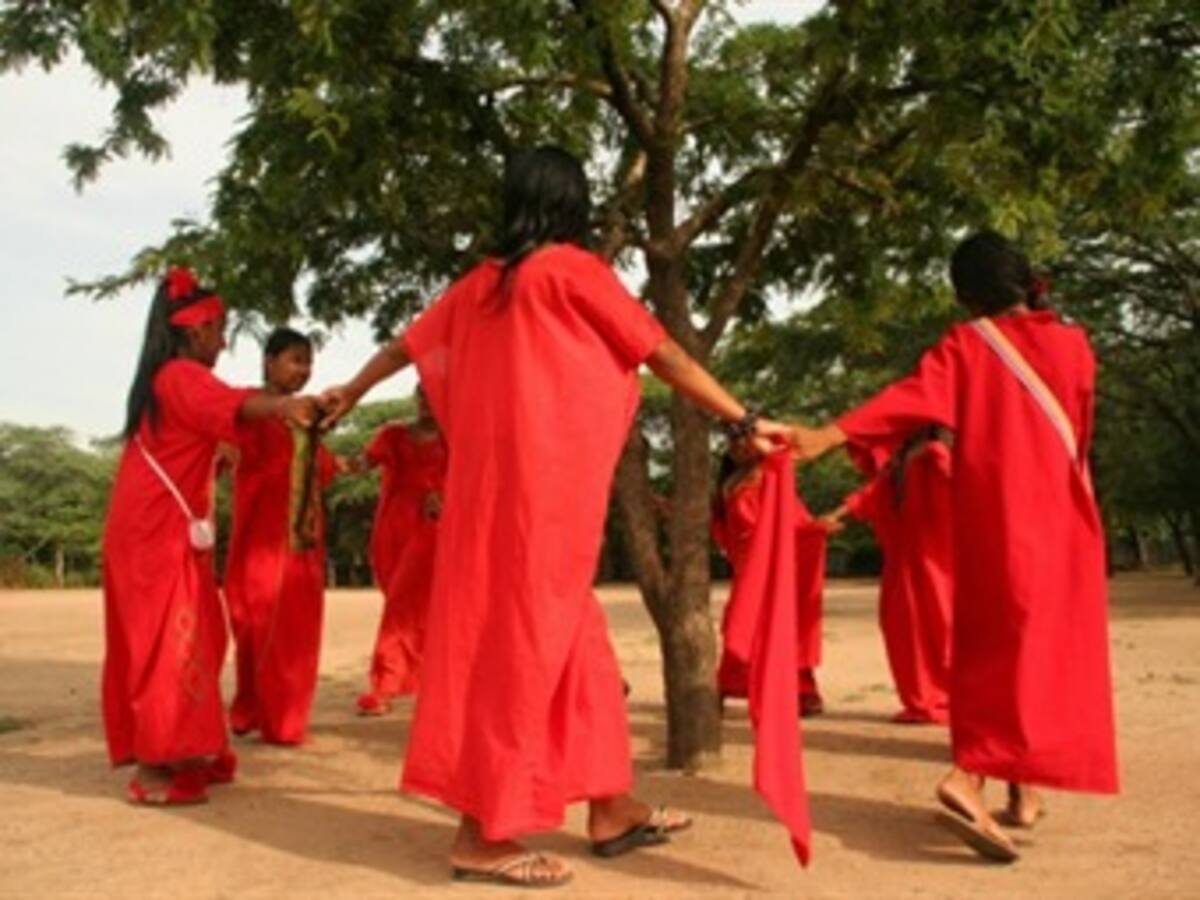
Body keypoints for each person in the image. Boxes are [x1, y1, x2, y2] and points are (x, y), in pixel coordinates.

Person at [320, 146, 785, 887]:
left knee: (582, 654)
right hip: (540, 507)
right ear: (573, 203)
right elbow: (659, 350)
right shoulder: (569, 271)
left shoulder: (479, 285)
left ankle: (612, 807)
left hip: (497, 504)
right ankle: (480, 834)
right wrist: (741, 418)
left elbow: (405, 347)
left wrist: (348, 388)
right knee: (520, 655)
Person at [788, 230, 1118, 862]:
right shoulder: (1076, 347)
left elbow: (911, 399)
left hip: (997, 522)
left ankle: (1010, 791)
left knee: (1002, 648)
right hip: (1065, 516)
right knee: (1041, 651)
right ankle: (972, 780)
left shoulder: (968, 346)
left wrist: (829, 435)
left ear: (966, 297)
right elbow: (1080, 434)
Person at [102, 268, 317, 804]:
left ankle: (189, 745)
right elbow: (239, 405)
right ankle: (154, 768)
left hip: (167, 533)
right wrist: (286, 405)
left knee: (198, 635)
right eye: (220, 330)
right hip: (155, 536)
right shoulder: (180, 375)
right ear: (194, 332)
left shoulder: (170, 380)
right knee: (165, 644)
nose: (223, 341)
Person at [223, 327, 339, 744]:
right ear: (269, 362)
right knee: (253, 625)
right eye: (295, 360)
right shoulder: (252, 408)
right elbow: (223, 446)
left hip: (303, 543)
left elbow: (324, 469)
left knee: (295, 633)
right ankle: (251, 707)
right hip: (260, 539)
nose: (304, 371)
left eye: (308, 362)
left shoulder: (306, 420)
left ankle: (284, 720)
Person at [826, 426, 954, 725]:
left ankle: (949, 698)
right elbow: (869, 494)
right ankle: (923, 699)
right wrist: (833, 516)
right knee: (904, 628)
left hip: (938, 556)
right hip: (906, 557)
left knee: (943, 625)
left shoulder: (938, 453)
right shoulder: (900, 462)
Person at [711, 437, 834, 718]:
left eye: (746, 443)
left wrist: (814, 530)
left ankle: (801, 691)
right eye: (734, 444)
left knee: (780, 622)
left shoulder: (771, 477)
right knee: (741, 623)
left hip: (771, 561)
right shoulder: (730, 482)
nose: (740, 448)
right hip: (747, 564)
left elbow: (794, 520)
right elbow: (721, 524)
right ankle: (729, 684)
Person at [353, 387, 447, 715]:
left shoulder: (455, 440)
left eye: (435, 397)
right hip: (392, 531)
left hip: (430, 531)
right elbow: (360, 463)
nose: (427, 405)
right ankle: (422, 679)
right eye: (423, 397)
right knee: (406, 607)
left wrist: (447, 497)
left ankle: (385, 686)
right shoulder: (392, 436)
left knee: (400, 608)